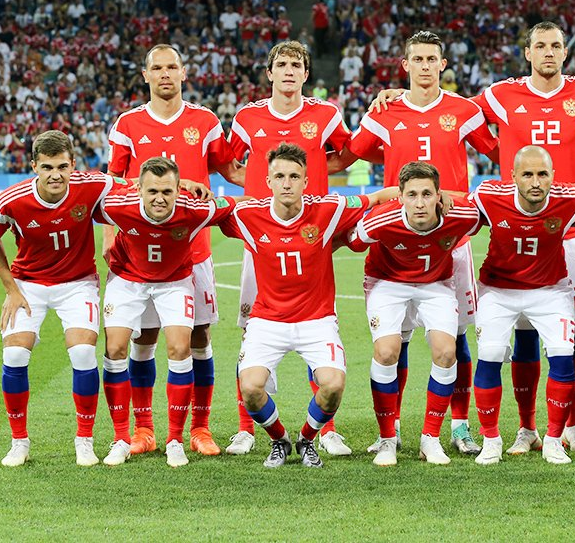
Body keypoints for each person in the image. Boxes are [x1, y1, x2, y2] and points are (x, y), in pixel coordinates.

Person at [471, 21, 575, 455]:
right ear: (527, 53)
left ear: (564, 52)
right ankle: (527, 428)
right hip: (519, 227)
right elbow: (456, 117)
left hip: (572, 230)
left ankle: (572, 425)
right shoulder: (501, 95)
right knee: (524, 334)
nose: (548, 52)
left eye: (556, 45)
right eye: (540, 46)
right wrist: (497, 152)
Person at [347, 30, 500, 455]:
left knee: (457, 338)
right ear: (406, 65)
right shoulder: (385, 111)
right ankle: (391, 429)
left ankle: (460, 427)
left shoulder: (463, 110)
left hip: (452, 238)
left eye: (433, 59)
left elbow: (497, 152)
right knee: (396, 341)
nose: (426, 66)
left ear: (443, 65)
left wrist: (459, 197)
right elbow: (356, 150)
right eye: (418, 59)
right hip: (400, 235)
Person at [217, 144, 397, 468]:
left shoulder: (329, 209)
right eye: (279, 177)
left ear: (306, 181)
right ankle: (279, 440)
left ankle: (306, 439)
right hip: (268, 320)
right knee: (250, 389)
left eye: (294, 176)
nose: (287, 183)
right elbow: (209, 211)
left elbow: (377, 198)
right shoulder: (249, 216)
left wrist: (417, 192)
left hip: (317, 319)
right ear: (268, 181)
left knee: (333, 385)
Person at [106, 44, 242, 458]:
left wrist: (282, 187)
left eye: (172, 67)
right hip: (139, 252)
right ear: (145, 75)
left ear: (184, 73)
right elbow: (113, 182)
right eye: (157, 68)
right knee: (143, 337)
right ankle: (144, 428)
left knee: (197, 337)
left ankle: (199, 427)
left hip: (193, 250)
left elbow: (231, 170)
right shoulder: (128, 124)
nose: (165, 74)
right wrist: (111, 236)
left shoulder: (205, 121)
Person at [227, 40, 354, 457]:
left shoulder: (326, 113)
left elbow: (345, 155)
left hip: (311, 230)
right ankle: (247, 428)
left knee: (316, 320)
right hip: (261, 233)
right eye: (281, 64)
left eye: (295, 65)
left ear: (305, 73)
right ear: (269, 72)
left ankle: (326, 429)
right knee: (254, 328)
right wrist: (255, 193)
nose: (288, 71)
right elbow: (229, 164)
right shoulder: (247, 117)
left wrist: (313, 173)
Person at [470, 146, 575, 466]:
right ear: (513, 177)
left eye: (542, 174)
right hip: (499, 290)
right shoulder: (488, 195)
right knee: (490, 354)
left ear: (553, 176)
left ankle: (553, 439)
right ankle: (491, 440)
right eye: (527, 174)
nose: (535, 182)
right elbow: (455, 208)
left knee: (563, 356)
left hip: (550, 290)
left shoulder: (572, 197)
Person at [0, 131, 116, 467]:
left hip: (78, 283)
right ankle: (19, 442)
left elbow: (136, 189)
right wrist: (11, 289)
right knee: (14, 353)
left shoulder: (94, 185)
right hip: (28, 284)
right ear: (34, 167)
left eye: (62, 166)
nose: (55, 175)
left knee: (83, 352)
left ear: (73, 164)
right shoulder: (10, 201)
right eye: (47, 167)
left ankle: (84, 440)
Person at [96, 157, 240, 467]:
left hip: (174, 281)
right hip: (128, 279)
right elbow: (83, 196)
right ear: (139, 189)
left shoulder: (195, 208)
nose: (159, 199)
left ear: (178, 190)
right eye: (152, 191)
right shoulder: (118, 204)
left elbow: (238, 204)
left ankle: (175, 440)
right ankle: (123, 438)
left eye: (167, 191)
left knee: (180, 347)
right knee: (115, 348)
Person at [348, 162, 481, 466]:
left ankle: (430, 439)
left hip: (436, 284)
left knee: (447, 353)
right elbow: (354, 242)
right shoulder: (381, 220)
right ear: (401, 196)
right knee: (386, 352)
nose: (419, 203)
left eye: (426, 194)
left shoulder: (462, 216)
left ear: (439, 195)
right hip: (387, 282)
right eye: (412, 195)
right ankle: (387, 439)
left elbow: (483, 212)